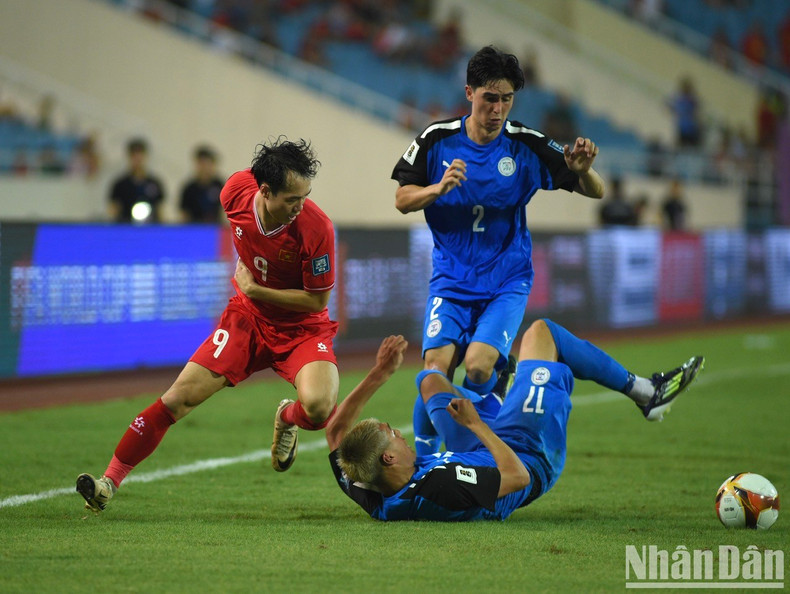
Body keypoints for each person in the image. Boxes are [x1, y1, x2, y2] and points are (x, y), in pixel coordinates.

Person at [77, 137, 339, 513]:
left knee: (318, 407)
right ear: (265, 191)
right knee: (176, 399)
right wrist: (252, 295)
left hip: (302, 329)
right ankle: (107, 483)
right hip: (247, 320)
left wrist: (256, 289)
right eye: (292, 199)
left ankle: (285, 416)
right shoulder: (234, 191)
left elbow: (317, 301)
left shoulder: (317, 228)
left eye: (305, 196)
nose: (301, 207)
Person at [391, 45, 605, 456]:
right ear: (469, 92)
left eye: (507, 99)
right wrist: (437, 189)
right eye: (491, 98)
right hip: (451, 280)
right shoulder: (436, 140)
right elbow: (402, 198)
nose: (499, 109)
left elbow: (595, 191)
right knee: (434, 370)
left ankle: (477, 451)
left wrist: (584, 172)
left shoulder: (525, 144)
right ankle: (425, 455)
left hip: (505, 280)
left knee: (476, 366)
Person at [327, 321, 704, 522]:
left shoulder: (369, 488)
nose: (400, 437)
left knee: (429, 381)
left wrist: (379, 373)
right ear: (389, 459)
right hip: (526, 453)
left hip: (477, 449)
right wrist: (476, 424)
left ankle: (497, 397)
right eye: (394, 437)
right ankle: (645, 393)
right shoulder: (440, 486)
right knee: (542, 334)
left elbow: (335, 432)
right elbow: (518, 477)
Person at [108, 138, 165, 223]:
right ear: (129, 157)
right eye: (134, 156)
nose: (138, 160)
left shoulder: (154, 183)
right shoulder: (120, 185)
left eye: (140, 156)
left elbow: (160, 210)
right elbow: (114, 211)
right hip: (126, 230)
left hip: (150, 229)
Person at [179, 145, 225, 223]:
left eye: (207, 164)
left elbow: (225, 211)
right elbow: (184, 214)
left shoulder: (220, 185)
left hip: (215, 228)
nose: (204, 168)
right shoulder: (189, 188)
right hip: (194, 229)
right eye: (201, 164)